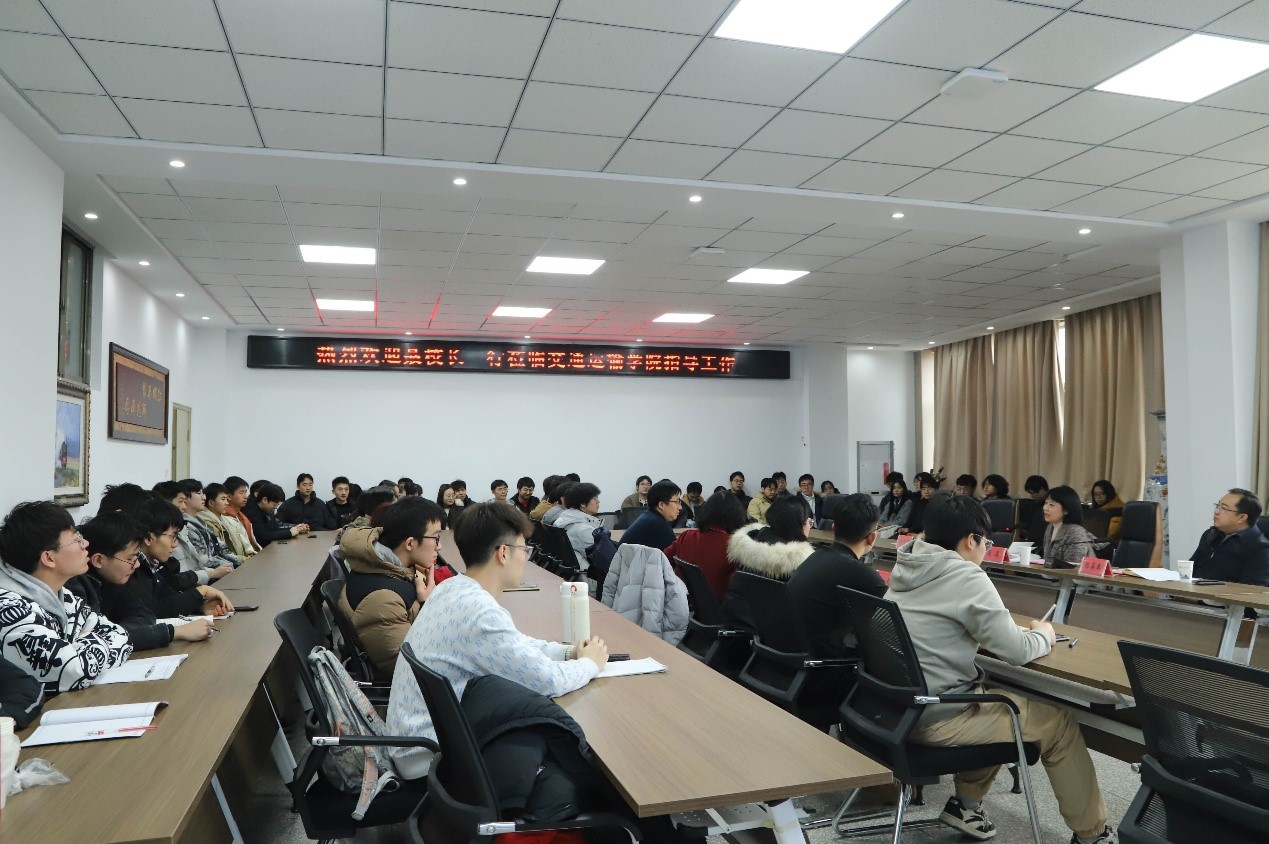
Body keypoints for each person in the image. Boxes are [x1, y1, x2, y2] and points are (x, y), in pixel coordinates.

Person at [887, 494, 1116, 844]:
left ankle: (966, 806)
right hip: (938, 717)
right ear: (971, 540)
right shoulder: (966, 575)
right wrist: (1044, 634)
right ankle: (1093, 834)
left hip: (898, 710)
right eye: (987, 543)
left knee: (997, 700)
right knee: (1057, 724)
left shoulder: (907, 564)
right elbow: (1017, 650)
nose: (986, 550)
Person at [386, 502, 609, 780]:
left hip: (417, 741)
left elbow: (516, 645)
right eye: (524, 550)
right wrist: (590, 664)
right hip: (432, 757)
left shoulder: (451, 588)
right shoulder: (479, 612)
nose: (525, 558)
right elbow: (548, 681)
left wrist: (567, 652)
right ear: (503, 553)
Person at [0, 501, 133, 694]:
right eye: (77, 539)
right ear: (49, 558)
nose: (86, 544)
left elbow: (120, 635)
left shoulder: (63, 595)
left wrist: (79, 649)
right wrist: (85, 648)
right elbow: (75, 672)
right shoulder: (9, 610)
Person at [337, 497, 451, 678]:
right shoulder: (383, 599)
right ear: (410, 543)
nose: (440, 546)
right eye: (436, 538)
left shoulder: (385, 569)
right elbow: (408, 669)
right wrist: (429, 605)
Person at [71, 511, 212, 650]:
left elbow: (143, 614)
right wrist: (174, 632)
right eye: (130, 559)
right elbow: (95, 643)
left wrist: (122, 634)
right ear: (98, 560)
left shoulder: (112, 579)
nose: (137, 564)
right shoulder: (76, 589)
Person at [787, 494, 888, 659]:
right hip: (822, 662)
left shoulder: (815, 556)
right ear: (872, 537)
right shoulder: (865, 576)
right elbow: (885, 628)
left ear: (833, 528)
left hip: (788, 652)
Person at [127, 496, 235, 620]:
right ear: (148, 538)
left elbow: (169, 598)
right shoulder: (133, 567)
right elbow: (153, 611)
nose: (175, 544)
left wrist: (201, 607)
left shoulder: (151, 565)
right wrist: (201, 592)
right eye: (172, 536)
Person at [723, 495, 816, 632]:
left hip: (737, 619)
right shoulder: (791, 562)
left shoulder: (754, 540)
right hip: (767, 630)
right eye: (809, 521)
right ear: (797, 524)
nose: (810, 526)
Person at [666, 491, 746, 600]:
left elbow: (662, 558)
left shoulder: (686, 536)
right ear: (737, 515)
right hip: (717, 605)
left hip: (681, 601)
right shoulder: (734, 545)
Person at [1191, 489, 1269, 585]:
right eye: (1217, 505)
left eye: (1224, 508)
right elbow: (1190, 570)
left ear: (1242, 517)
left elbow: (1254, 590)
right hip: (1191, 592)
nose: (1216, 511)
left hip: (1219, 594)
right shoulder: (1211, 535)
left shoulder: (1260, 548)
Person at [169, 479, 238, 584]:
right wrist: (230, 565)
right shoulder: (185, 526)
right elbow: (202, 560)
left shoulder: (202, 522)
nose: (204, 497)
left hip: (208, 575)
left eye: (203, 493)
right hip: (204, 579)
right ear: (185, 498)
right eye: (198, 493)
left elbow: (222, 548)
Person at [553, 483, 605, 575]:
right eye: (594, 498)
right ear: (582, 504)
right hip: (590, 577)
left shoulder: (562, 520)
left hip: (570, 575)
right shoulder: (583, 530)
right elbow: (604, 559)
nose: (598, 501)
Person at [1042, 486, 1097, 569]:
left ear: (1066, 510)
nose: (1045, 508)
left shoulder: (1075, 532)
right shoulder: (1050, 527)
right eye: (1046, 503)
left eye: (1051, 505)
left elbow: (1073, 567)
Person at [620, 480, 681, 552]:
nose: (680, 507)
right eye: (677, 502)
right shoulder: (659, 525)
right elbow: (675, 553)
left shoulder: (649, 516)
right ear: (661, 505)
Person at [200, 482, 256, 559]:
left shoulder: (231, 521)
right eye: (223, 499)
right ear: (211, 503)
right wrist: (244, 559)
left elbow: (246, 545)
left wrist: (251, 555)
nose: (227, 503)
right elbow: (221, 553)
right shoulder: (205, 523)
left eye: (226, 499)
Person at [245, 482, 307, 547]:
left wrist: (296, 529)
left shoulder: (267, 509)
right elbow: (264, 536)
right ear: (265, 500)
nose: (276, 507)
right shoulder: (251, 511)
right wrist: (290, 533)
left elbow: (274, 528)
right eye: (275, 504)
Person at [224, 475, 262, 551]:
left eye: (245, 492)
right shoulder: (225, 516)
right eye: (241, 492)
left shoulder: (241, 515)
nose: (245, 496)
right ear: (229, 496)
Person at [1020, 475, 1050, 553]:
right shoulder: (1035, 505)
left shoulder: (1050, 508)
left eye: (1032, 493)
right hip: (1034, 547)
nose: (1031, 496)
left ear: (1042, 489)